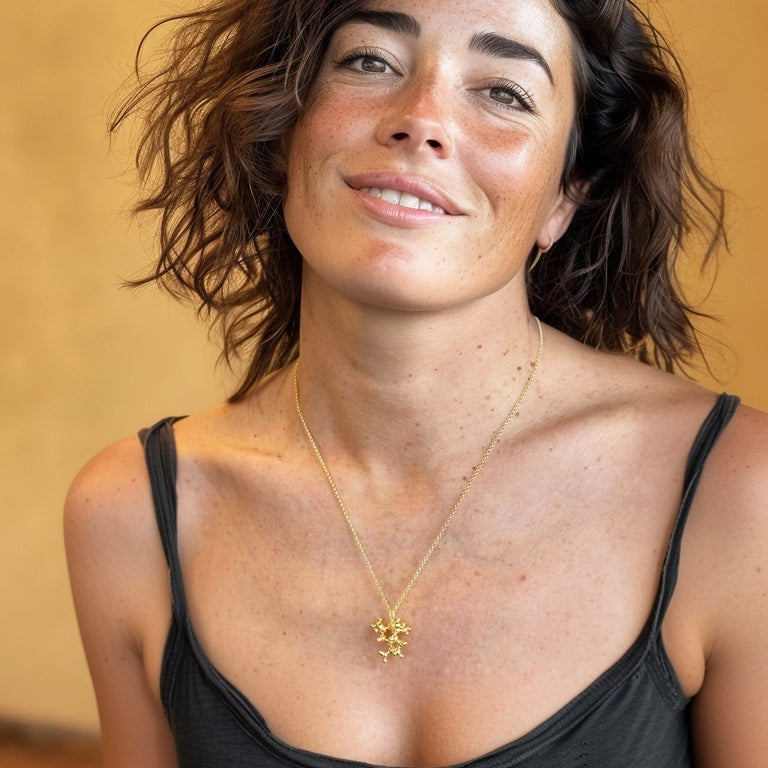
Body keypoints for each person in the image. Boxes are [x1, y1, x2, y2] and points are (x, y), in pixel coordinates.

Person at [64, 0, 768, 765]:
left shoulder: (738, 492)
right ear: (281, 133)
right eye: (370, 61)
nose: (421, 119)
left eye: (504, 91)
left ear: (567, 195)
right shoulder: (129, 513)